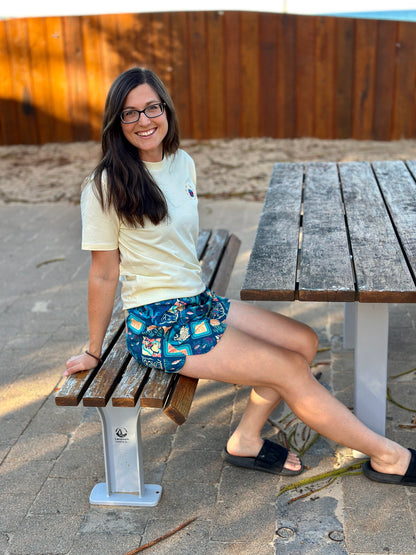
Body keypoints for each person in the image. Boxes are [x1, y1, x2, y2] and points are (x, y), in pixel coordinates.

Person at [65, 66, 416, 485]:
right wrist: (93, 348)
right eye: (130, 113)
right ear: (116, 122)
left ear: (166, 110)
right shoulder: (105, 185)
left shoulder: (181, 163)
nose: (144, 121)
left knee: (303, 342)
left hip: (196, 300)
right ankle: (388, 456)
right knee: (288, 370)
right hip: (158, 324)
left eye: (151, 108)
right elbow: (104, 275)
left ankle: (246, 440)